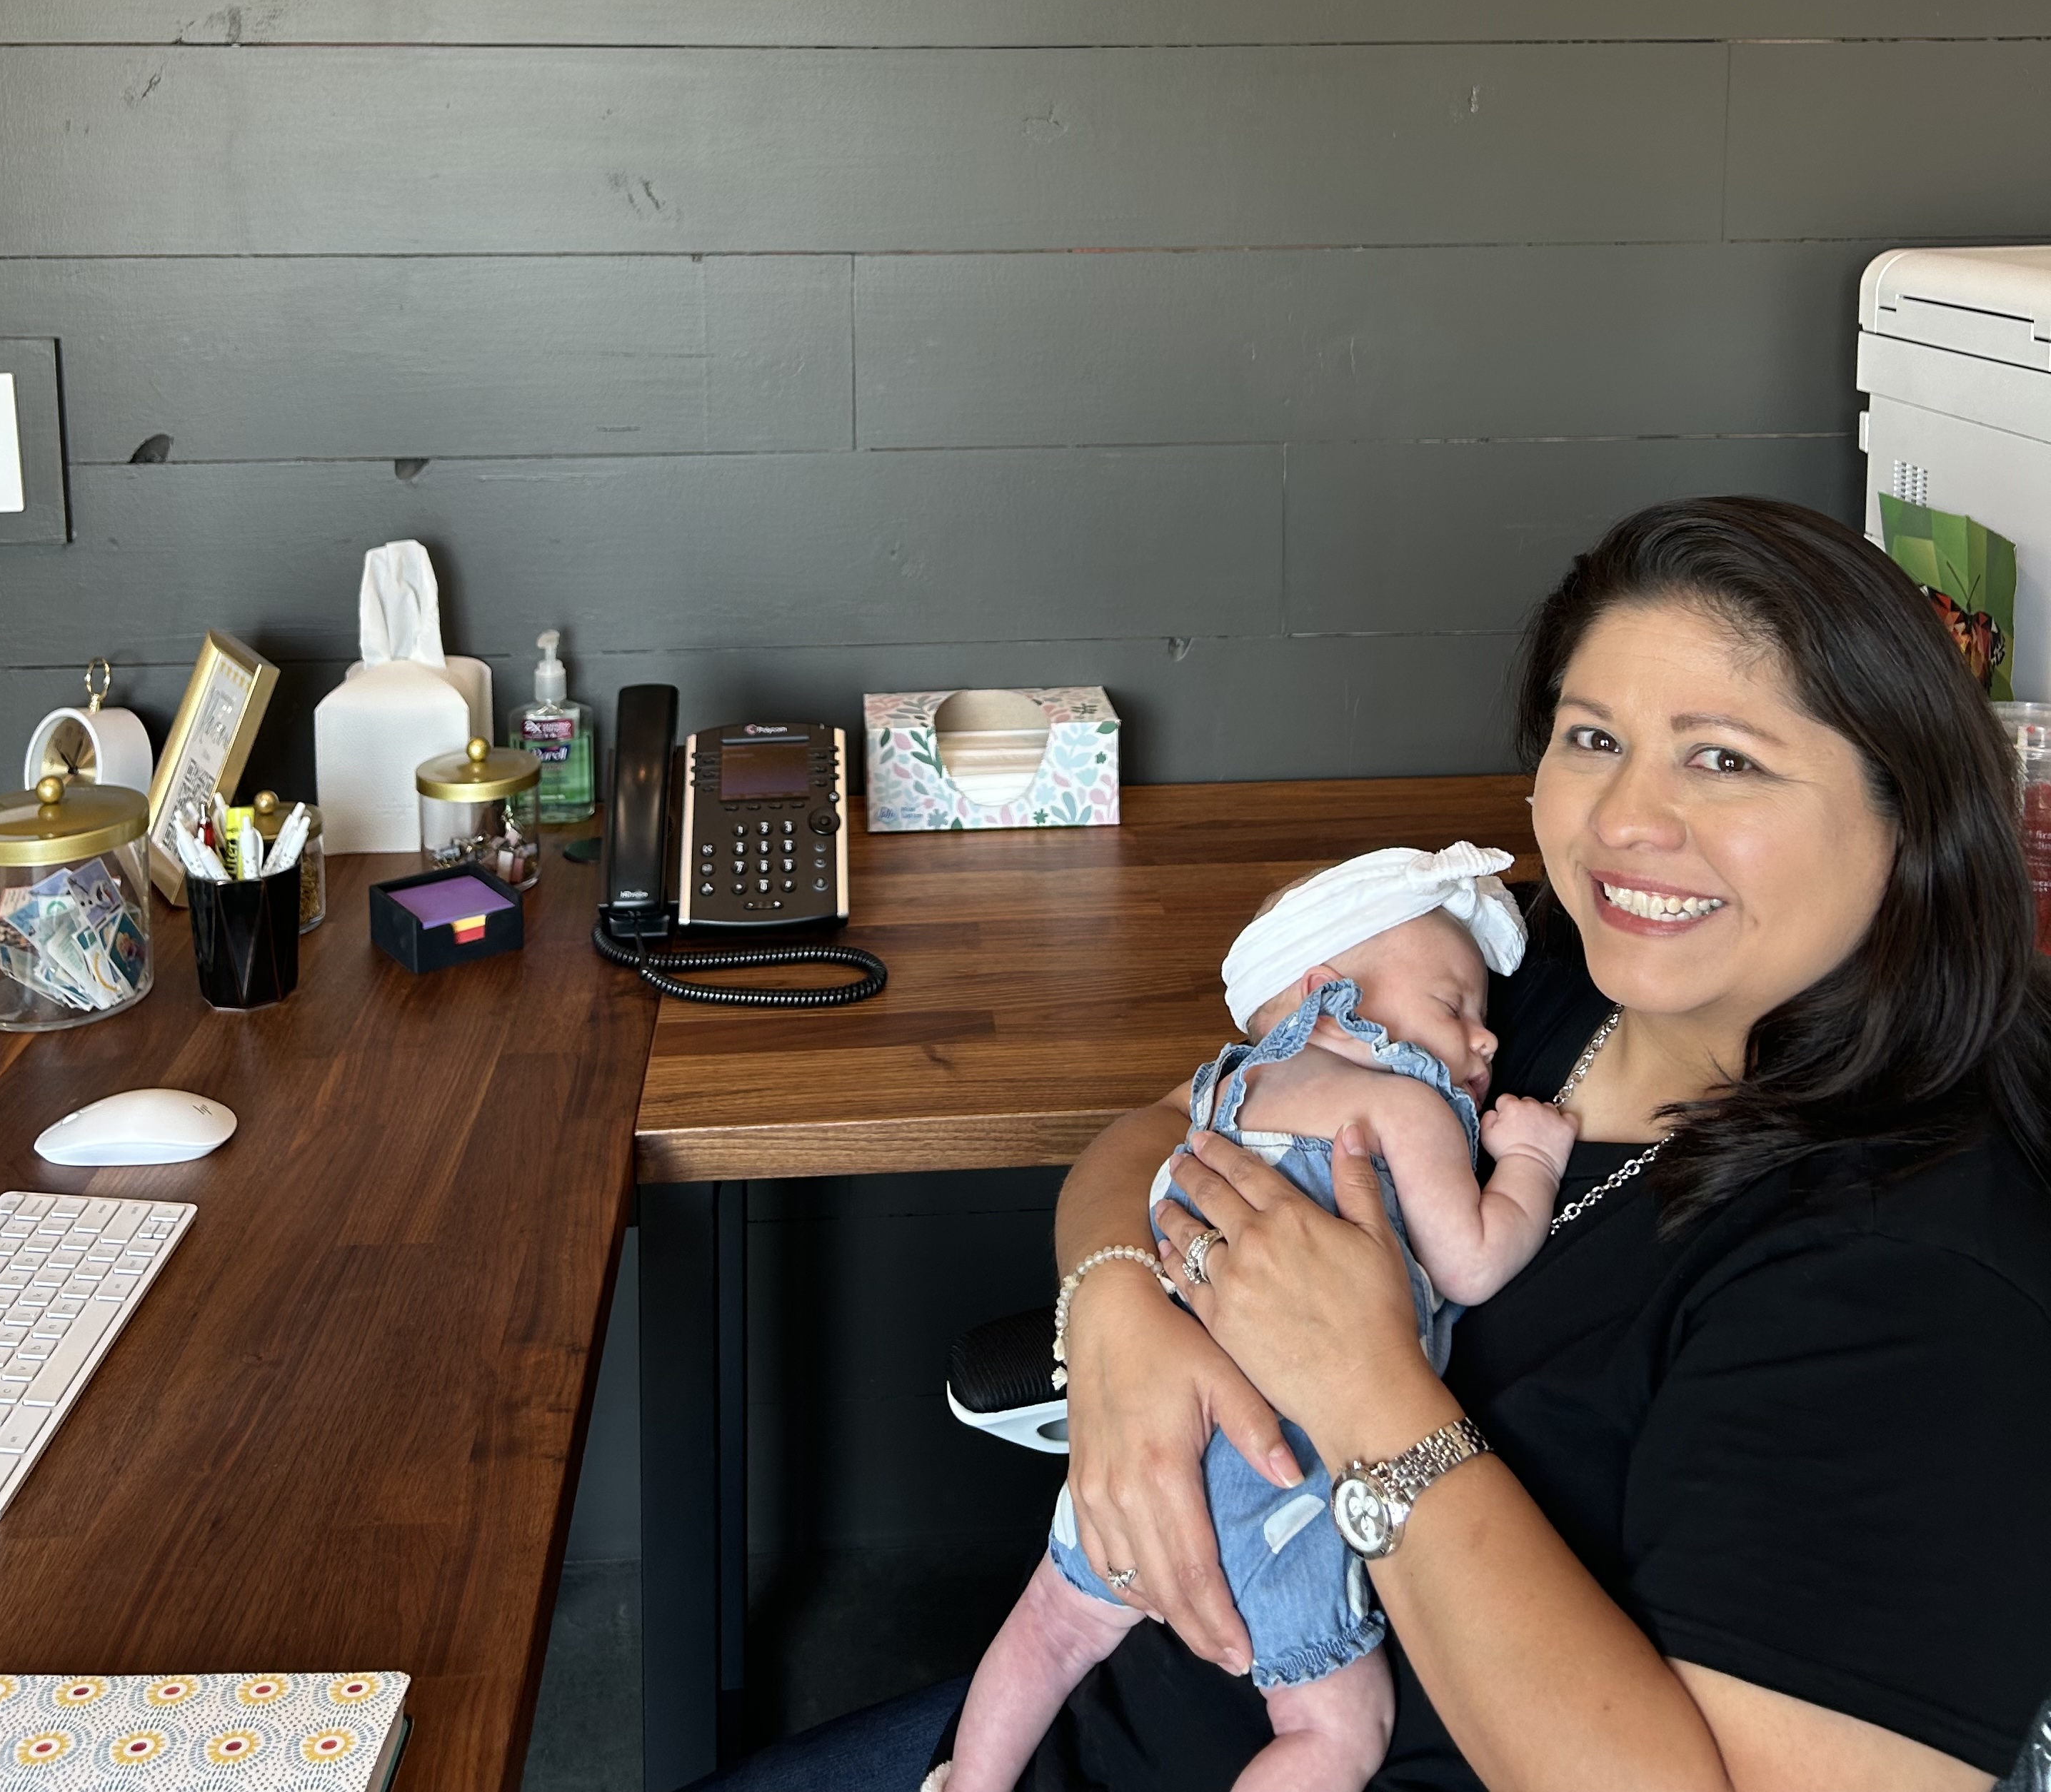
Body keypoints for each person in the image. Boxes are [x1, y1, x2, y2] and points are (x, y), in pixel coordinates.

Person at [703, 498, 2051, 1791]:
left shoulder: (1918, 1281)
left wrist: (1367, 1392)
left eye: (1725, 758)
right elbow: (1174, 1124)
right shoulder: (1530, 974)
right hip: (1111, 1707)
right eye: (1592, 739)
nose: (1626, 821)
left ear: (1912, 811)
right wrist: (1112, 1298)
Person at [946, 847, 1573, 1792]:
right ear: (1328, 997)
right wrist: (1528, 1163)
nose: (1484, 1043)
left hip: (1148, 1452)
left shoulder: (1228, 1088)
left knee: (1054, 1622)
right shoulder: (1406, 1108)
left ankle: (968, 1781)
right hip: (1280, 1487)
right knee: (1334, 1731)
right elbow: (1472, 1262)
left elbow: (1137, 1150)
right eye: (1456, 1008)